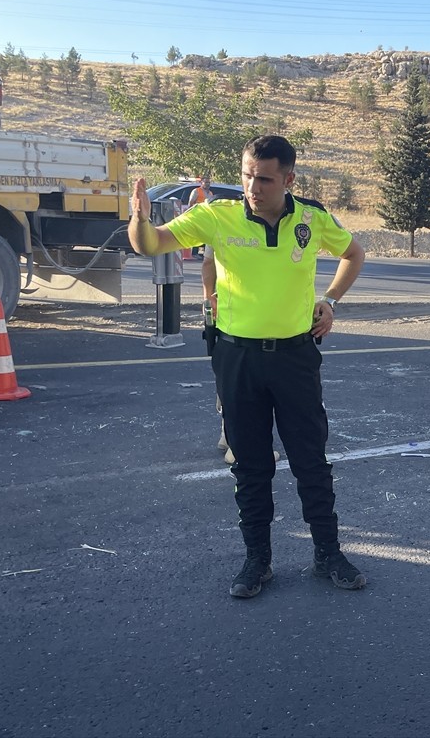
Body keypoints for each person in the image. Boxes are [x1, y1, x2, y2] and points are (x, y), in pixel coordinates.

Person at [129, 135, 368, 598]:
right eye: (246, 176)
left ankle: (328, 553)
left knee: (310, 462)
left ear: (288, 179)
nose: (252, 187)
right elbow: (150, 244)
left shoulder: (312, 219)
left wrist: (331, 300)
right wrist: (139, 217)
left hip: (296, 359)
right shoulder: (217, 217)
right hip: (237, 359)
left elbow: (353, 254)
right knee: (250, 467)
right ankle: (257, 560)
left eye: (263, 178)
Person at [187, 175, 212, 258]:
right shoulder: (196, 191)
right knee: (197, 234)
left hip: (206, 217)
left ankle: (204, 252)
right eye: (206, 182)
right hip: (197, 216)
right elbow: (191, 203)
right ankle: (194, 253)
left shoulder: (210, 193)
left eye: (209, 182)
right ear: (201, 183)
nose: (207, 184)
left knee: (205, 235)